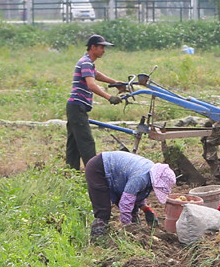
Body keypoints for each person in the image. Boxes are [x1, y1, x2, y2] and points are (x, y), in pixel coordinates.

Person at [84, 151, 176, 242]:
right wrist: (127, 228)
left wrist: (146, 209)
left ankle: (135, 230)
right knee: (103, 211)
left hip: (117, 175)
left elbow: (137, 192)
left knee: (132, 209)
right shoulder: (141, 177)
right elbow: (125, 203)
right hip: (99, 169)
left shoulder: (152, 173)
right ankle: (98, 241)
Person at [65, 34, 126, 170]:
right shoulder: (86, 62)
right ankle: (95, 174)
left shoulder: (88, 63)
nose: (103, 51)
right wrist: (109, 97)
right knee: (87, 142)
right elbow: (91, 85)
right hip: (77, 106)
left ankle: (69, 172)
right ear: (93, 47)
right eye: (101, 48)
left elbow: (96, 75)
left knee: (74, 144)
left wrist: (115, 82)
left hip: (75, 106)